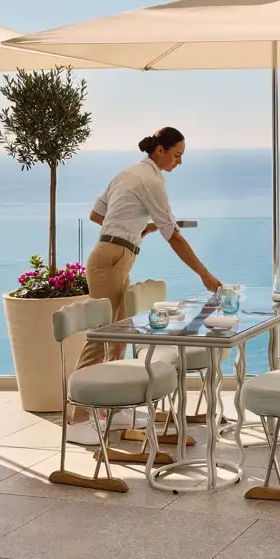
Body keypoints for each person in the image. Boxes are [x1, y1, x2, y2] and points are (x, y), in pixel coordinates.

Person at [66, 126, 223, 445]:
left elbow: (97, 215)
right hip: (111, 259)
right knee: (102, 335)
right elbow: (174, 236)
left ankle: (109, 408)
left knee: (121, 334)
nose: (179, 162)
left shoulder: (128, 173)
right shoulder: (152, 181)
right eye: (177, 155)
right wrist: (204, 275)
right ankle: (78, 418)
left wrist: (137, 225)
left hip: (114, 254)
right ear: (160, 150)